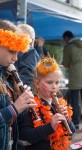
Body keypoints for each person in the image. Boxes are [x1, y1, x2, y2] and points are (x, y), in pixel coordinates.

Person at [19, 57, 75, 150]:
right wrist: (50, 126)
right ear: (37, 84)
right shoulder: (30, 105)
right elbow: (24, 137)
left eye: (57, 83)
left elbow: (71, 133)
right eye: (49, 82)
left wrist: (66, 119)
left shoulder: (60, 104)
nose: (54, 87)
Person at [0, 20, 36, 150]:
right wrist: (14, 108)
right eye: (11, 51)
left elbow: (14, 121)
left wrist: (22, 104)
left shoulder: (6, 77)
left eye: (17, 53)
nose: (15, 58)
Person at [62, 31, 82, 131]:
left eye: (64, 39)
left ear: (66, 38)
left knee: (75, 101)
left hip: (74, 77)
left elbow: (66, 63)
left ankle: (76, 123)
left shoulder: (69, 47)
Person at [15, 24, 39, 88]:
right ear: (32, 41)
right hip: (21, 92)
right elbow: (28, 77)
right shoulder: (30, 51)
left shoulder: (11, 49)